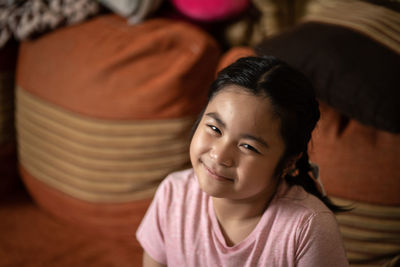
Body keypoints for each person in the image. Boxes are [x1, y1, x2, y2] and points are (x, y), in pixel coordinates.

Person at [136, 56, 349, 266]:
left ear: (288, 162)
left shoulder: (306, 228)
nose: (219, 156)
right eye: (214, 129)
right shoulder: (173, 194)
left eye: (248, 146)